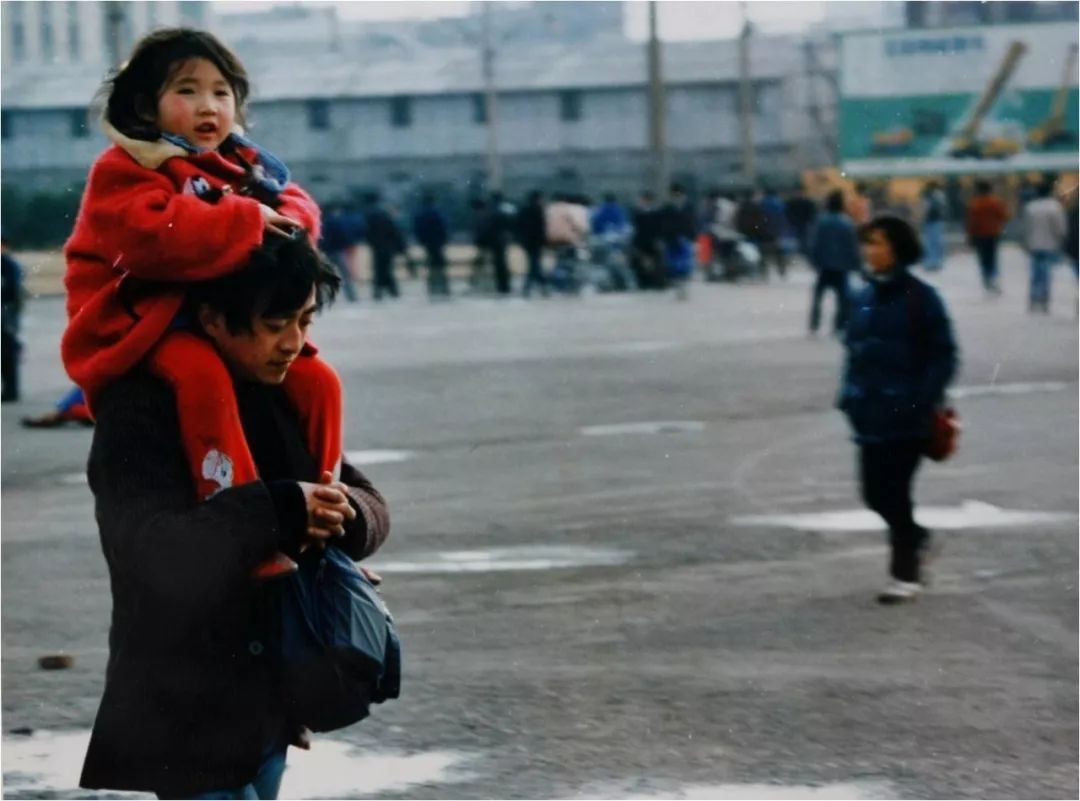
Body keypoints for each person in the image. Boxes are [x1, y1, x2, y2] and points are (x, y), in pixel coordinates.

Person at [79, 233, 390, 799]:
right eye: (276, 325)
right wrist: (283, 507)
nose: (294, 343)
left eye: (305, 321)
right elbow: (152, 553)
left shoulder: (276, 393)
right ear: (213, 319)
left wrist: (340, 515)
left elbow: (364, 499)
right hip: (185, 701)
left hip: (271, 694)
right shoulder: (141, 407)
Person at [60, 28, 340, 584]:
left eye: (221, 91)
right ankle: (247, 526)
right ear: (146, 105)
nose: (208, 106)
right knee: (200, 376)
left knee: (318, 380)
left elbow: (299, 208)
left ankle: (324, 520)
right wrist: (246, 220)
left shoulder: (240, 164)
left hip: (212, 318)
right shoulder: (126, 170)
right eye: (187, 91)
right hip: (142, 322)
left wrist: (277, 222)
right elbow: (150, 236)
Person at [839, 215, 958, 604]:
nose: (870, 250)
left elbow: (944, 354)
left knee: (895, 492)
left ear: (898, 248)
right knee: (873, 494)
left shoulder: (922, 298)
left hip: (907, 414)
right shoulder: (864, 296)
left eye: (878, 242)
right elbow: (854, 352)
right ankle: (918, 539)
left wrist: (921, 399)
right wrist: (848, 396)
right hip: (870, 411)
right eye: (867, 243)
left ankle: (904, 574)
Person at [807, 190, 860, 336]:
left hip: (824, 265)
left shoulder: (821, 221)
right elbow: (852, 246)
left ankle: (814, 323)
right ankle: (839, 325)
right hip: (841, 266)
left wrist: (814, 260)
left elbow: (815, 242)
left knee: (818, 296)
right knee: (843, 299)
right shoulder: (847, 222)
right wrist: (856, 264)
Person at [1021, 180, 1068, 313]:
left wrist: (1025, 241)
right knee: (1046, 272)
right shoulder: (1055, 207)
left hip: (1034, 244)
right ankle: (1044, 298)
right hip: (1049, 244)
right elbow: (1060, 228)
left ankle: (1034, 297)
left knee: (1035, 272)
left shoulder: (1031, 207)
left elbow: (1026, 227)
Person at [965, 181, 1009, 295]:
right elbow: (1004, 215)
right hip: (994, 233)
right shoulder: (995, 202)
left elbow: (972, 222)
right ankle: (994, 278)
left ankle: (986, 279)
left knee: (983, 258)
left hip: (979, 235)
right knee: (993, 257)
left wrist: (970, 236)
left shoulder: (975, 204)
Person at [364, 193, 406, 301]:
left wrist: (372, 242)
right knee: (387, 270)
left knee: (379, 270)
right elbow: (394, 233)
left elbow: (368, 233)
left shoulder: (370, 215)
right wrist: (400, 247)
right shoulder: (385, 215)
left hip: (377, 247)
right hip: (387, 247)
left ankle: (380, 292)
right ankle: (392, 291)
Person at [319, 201, 361, 303]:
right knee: (345, 274)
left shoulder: (322, 221)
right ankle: (351, 296)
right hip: (338, 251)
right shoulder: (336, 221)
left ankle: (323, 297)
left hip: (327, 252)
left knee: (325, 276)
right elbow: (343, 235)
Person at [412, 192, 450, 298]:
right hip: (437, 242)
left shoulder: (421, 213)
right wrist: (444, 239)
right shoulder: (437, 212)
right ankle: (443, 287)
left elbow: (418, 228)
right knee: (440, 265)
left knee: (431, 264)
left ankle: (432, 286)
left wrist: (421, 240)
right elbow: (444, 226)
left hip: (428, 242)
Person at [1, 231, 24, 402]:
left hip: (6, 314)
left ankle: (11, 390)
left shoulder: (9, 266)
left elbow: (13, 291)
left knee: (7, 352)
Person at [516, 190, 548, 298]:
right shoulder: (538, 210)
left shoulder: (523, 210)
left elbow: (518, 226)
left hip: (527, 242)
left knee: (533, 264)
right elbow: (542, 228)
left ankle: (535, 286)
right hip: (536, 242)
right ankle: (534, 286)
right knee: (535, 265)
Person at [630, 191, 665, 289]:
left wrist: (659, 240)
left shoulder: (656, 213)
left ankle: (656, 282)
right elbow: (636, 229)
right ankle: (643, 282)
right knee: (641, 262)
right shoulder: (637, 213)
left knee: (655, 262)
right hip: (641, 241)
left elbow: (659, 228)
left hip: (652, 241)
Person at [760, 187, 790, 278]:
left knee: (764, 251)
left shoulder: (762, 202)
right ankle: (782, 269)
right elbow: (784, 216)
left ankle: (764, 271)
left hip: (764, 229)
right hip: (777, 229)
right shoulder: (779, 203)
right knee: (779, 251)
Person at [921, 181, 947, 271]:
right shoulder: (937, 196)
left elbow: (926, 209)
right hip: (933, 221)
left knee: (933, 242)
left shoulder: (935, 196)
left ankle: (934, 261)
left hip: (933, 221)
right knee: (932, 242)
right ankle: (933, 261)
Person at [785, 186, 818, 255]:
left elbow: (788, 213)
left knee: (799, 238)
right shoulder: (806, 202)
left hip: (797, 223)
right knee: (802, 238)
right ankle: (802, 251)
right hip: (802, 223)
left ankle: (799, 251)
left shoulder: (791, 202)